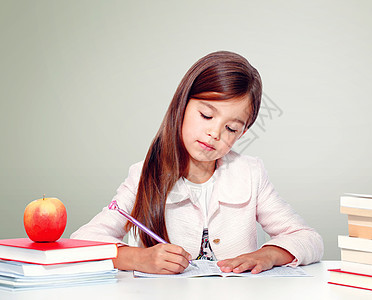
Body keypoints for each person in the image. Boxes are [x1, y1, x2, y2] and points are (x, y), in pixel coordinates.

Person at [71, 51, 324, 275]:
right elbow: (81, 243)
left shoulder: (250, 173)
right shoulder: (143, 175)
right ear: (182, 105)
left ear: (242, 134)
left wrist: (267, 255)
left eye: (231, 128)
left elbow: (310, 239)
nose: (215, 133)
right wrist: (137, 258)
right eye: (206, 115)